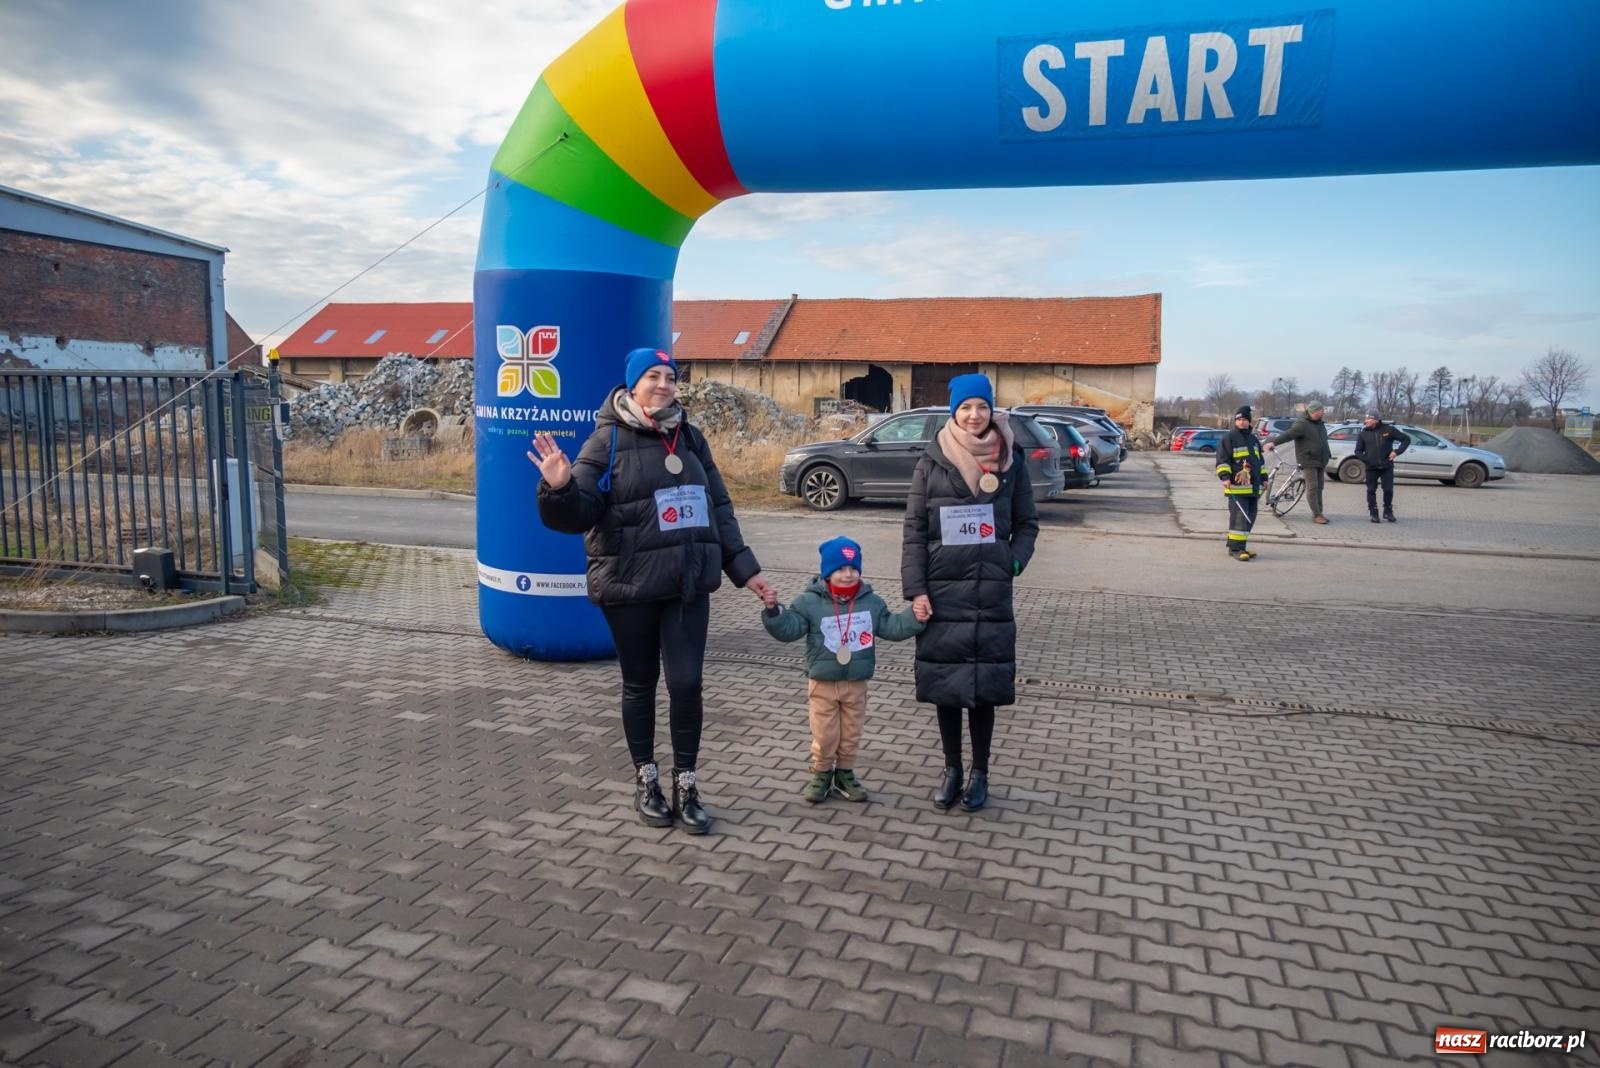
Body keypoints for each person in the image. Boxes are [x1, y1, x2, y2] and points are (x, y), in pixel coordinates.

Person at [530, 346, 776, 835]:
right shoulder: (607, 441)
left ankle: (687, 785)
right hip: (631, 585)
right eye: (653, 376)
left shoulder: (691, 437)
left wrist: (745, 570)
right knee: (640, 684)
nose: (664, 385)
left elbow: (719, 507)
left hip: (687, 584)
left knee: (686, 684)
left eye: (670, 377)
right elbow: (580, 513)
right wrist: (559, 489)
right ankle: (646, 781)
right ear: (632, 385)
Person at [901, 373, 1039, 812]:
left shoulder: (1011, 459)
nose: (974, 415)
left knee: (984, 686)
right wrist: (916, 590)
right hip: (943, 592)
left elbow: (1027, 523)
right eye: (965, 407)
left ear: (991, 409)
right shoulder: (932, 460)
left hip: (989, 593)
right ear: (954, 412)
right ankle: (952, 770)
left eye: (981, 406)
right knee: (947, 685)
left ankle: (980, 773)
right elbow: (914, 531)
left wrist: (1012, 561)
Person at [761, 536, 926, 804]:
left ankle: (845, 773)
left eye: (853, 568)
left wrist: (914, 616)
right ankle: (822, 772)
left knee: (851, 733)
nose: (848, 574)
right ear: (827, 572)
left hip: (856, 682)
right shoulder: (808, 602)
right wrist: (773, 612)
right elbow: (789, 630)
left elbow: (892, 627)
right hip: (823, 682)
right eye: (840, 569)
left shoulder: (872, 602)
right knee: (825, 734)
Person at [1266, 401, 1332, 523]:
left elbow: (1323, 441)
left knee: (1319, 487)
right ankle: (1317, 515)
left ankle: (1320, 512)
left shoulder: (1320, 424)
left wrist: (1327, 454)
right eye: (1321, 410)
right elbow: (1288, 435)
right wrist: (1274, 442)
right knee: (1312, 487)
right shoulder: (1302, 424)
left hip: (1320, 460)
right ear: (1313, 412)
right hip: (1308, 459)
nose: (1323, 412)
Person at [1217, 405, 1266, 560]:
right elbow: (1222, 460)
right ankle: (1235, 549)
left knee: (1250, 517)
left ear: (1249, 421)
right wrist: (1225, 477)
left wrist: (1264, 479)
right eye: (1238, 420)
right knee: (1239, 518)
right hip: (1237, 488)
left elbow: (1260, 462)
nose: (1241, 422)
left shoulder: (1253, 439)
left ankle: (1241, 546)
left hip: (1253, 488)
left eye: (1244, 419)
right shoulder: (1229, 438)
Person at [1354, 408, 1411, 522]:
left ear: (1376, 420)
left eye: (1368, 418)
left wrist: (1396, 452)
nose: (1366, 420)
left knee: (1388, 490)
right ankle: (1373, 512)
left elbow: (1406, 439)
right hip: (1371, 468)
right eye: (1366, 418)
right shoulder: (1363, 434)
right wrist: (1368, 460)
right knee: (1371, 490)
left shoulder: (1388, 430)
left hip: (1386, 466)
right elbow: (1358, 451)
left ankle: (1388, 511)